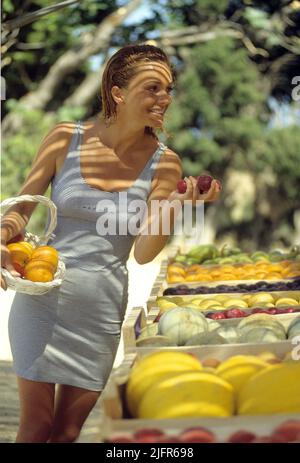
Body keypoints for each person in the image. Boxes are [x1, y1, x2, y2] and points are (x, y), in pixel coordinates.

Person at [0, 43, 221, 443]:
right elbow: (24, 207)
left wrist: (177, 204)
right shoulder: (64, 137)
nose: (164, 99)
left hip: (100, 309)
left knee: (67, 433)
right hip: (42, 298)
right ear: (118, 93)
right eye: (153, 88)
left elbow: (144, 252)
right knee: (35, 428)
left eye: (168, 90)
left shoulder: (165, 162)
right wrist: (1, 237)